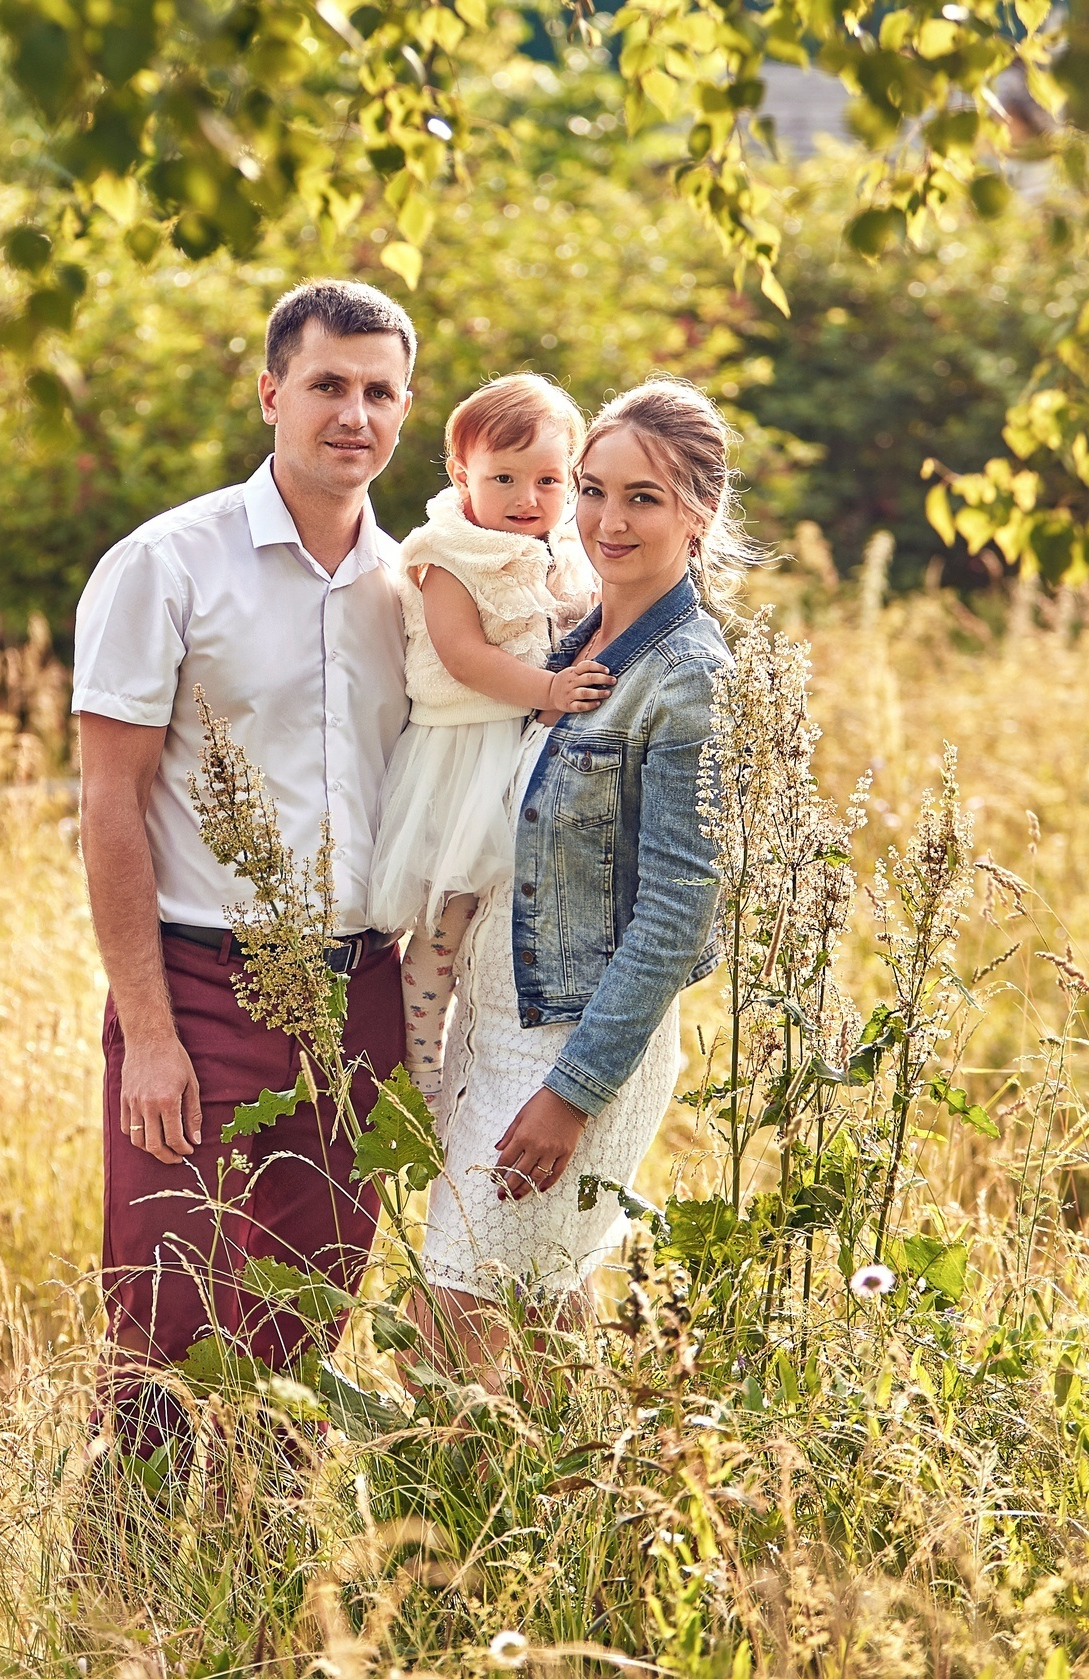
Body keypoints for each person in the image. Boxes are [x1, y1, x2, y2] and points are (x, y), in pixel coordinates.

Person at [70, 278, 417, 1459]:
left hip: (360, 987)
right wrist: (149, 1033)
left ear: (404, 409)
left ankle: (273, 1590)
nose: (352, 415)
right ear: (271, 393)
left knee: (310, 1314)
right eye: (327, 386)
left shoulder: (420, 591)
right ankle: (123, 1596)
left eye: (378, 392)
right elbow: (107, 802)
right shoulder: (165, 564)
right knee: (165, 1309)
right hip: (199, 983)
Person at [414, 377, 747, 1377]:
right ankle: (596, 1525)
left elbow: (679, 915)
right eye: (592, 490)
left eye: (641, 498)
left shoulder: (687, 673)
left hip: (570, 1046)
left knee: (448, 1334)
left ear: (699, 512)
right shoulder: (565, 640)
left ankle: (458, 1528)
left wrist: (574, 1093)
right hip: (491, 1022)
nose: (604, 520)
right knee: (539, 1327)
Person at [366, 374, 607, 1129]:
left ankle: (489, 1056)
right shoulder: (448, 553)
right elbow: (464, 654)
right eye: (503, 478)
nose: (526, 497)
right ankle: (422, 1061)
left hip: (519, 745)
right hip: (464, 749)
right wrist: (549, 689)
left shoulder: (559, 550)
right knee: (447, 912)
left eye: (547, 480)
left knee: (500, 926)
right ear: (460, 474)